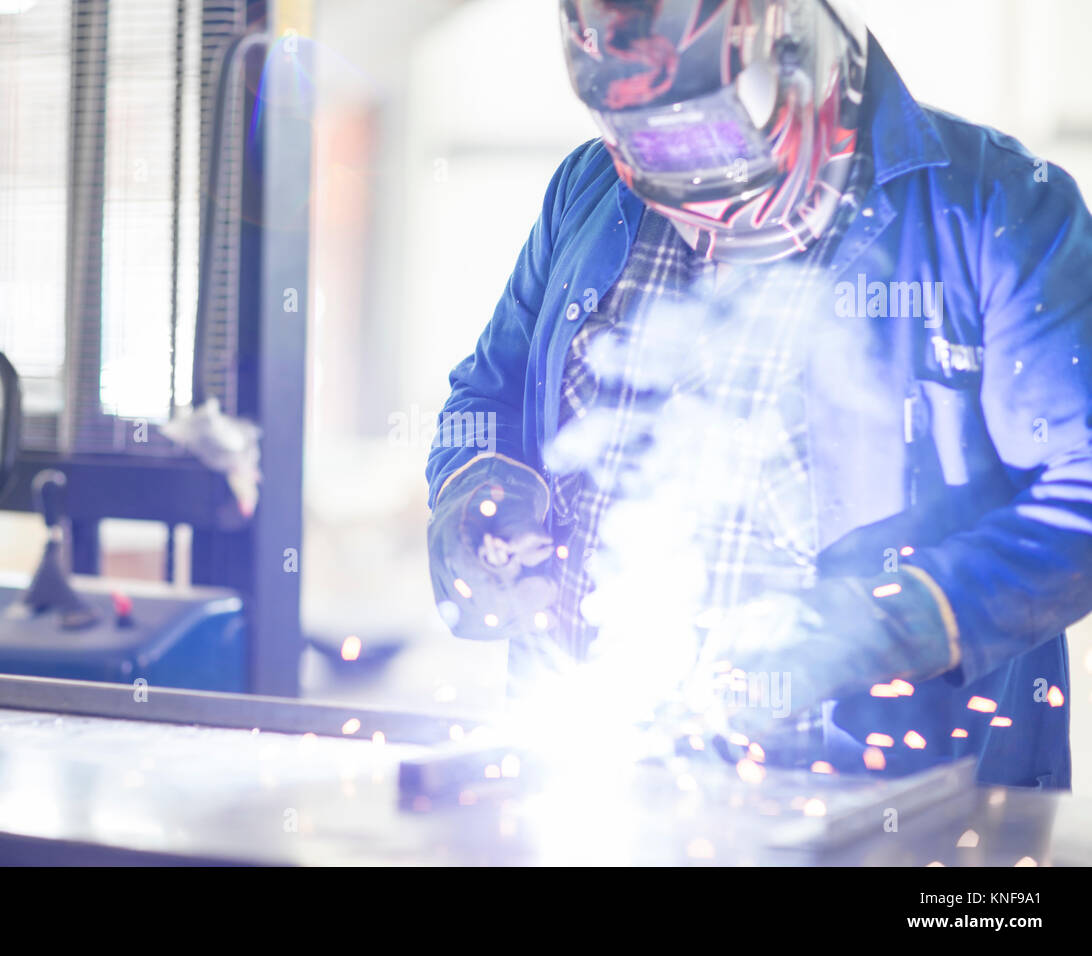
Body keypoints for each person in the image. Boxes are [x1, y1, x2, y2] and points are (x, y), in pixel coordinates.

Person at [425, 0, 1089, 789]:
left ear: (800, 54)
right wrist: (476, 493)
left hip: (878, 799)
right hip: (593, 778)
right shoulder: (589, 188)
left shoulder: (997, 207)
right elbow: (485, 393)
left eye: (714, 148)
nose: (701, 213)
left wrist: (893, 622)